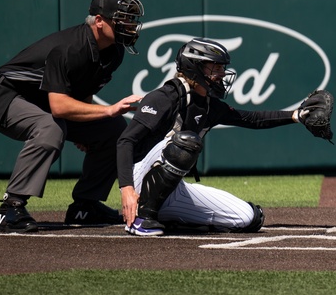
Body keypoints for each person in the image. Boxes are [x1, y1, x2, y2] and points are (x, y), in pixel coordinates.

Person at [117, 38, 319, 236]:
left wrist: (296, 116)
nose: (222, 74)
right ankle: (142, 218)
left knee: (248, 218)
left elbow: (251, 118)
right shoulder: (164, 97)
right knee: (184, 142)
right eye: (215, 68)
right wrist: (127, 190)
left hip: (172, 189)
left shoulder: (208, 104)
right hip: (139, 179)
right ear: (194, 66)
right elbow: (126, 141)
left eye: (222, 68)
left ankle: (170, 217)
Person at [0, 0, 144, 233]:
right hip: (5, 95)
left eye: (130, 20)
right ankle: (11, 208)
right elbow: (59, 107)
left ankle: (85, 205)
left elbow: (82, 92)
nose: (129, 25)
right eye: (121, 19)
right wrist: (108, 110)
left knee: (113, 130)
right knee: (50, 128)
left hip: (43, 101)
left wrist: (87, 129)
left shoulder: (114, 52)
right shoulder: (71, 48)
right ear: (100, 21)